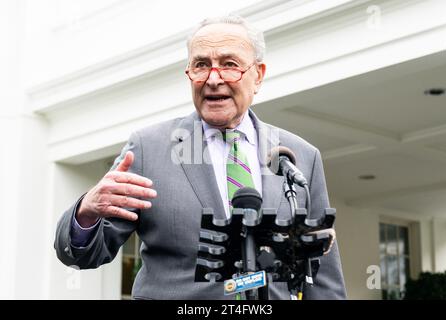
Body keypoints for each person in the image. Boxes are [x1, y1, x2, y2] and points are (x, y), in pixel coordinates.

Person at [54, 15, 346, 300]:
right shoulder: (148, 148)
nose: (213, 79)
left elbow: (323, 278)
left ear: (258, 75)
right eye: (201, 65)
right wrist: (87, 213)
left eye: (229, 65)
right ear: (189, 74)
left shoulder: (301, 156)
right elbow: (84, 255)